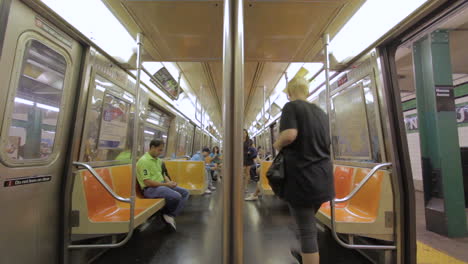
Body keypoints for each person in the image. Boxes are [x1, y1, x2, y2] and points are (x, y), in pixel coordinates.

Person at [273, 77, 334, 264]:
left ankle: (308, 255)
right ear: (307, 90)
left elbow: (290, 135)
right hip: (323, 178)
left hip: (302, 178)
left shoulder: (291, 107)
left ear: (289, 92)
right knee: (306, 226)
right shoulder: (321, 113)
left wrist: (277, 143)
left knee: (307, 232)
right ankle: (305, 255)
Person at [137, 139, 190, 230]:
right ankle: (167, 214)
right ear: (152, 147)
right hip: (150, 189)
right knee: (176, 196)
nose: (160, 152)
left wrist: (169, 182)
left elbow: (163, 174)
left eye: (162, 150)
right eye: (159, 150)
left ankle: (169, 215)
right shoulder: (143, 161)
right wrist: (166, 185)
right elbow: (147, 182)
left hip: (161, 185)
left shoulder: (158, 160)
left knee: (185, 192)